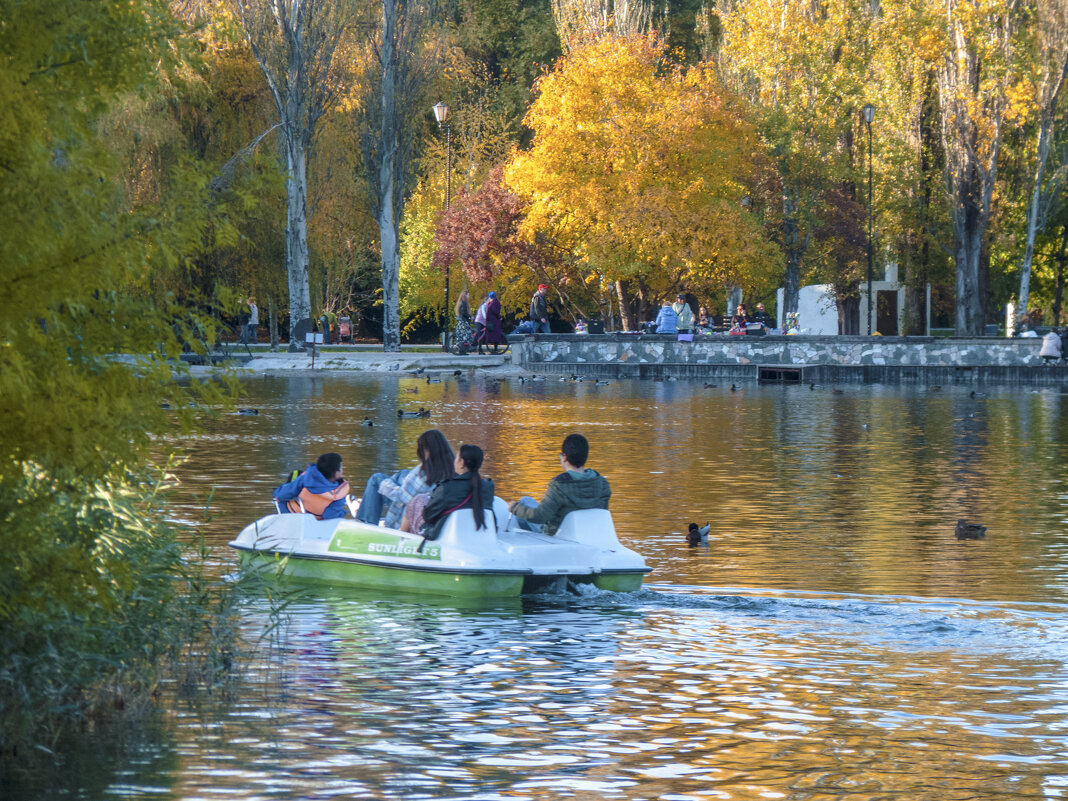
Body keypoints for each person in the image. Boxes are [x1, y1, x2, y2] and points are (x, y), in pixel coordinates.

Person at [507, 433, 611, 535]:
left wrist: (514, 507)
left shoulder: (559, 486)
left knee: (523, 502)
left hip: (558, 534)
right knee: (527, 500)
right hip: (589, 533)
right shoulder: (602, 483)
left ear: (565, 457)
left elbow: (540, 516)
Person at [354, 430, 455, 528]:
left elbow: (403, 497)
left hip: (407, 517)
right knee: (403, 473)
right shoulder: (451, 467)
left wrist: (385, 484)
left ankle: (366, 521)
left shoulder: (425, 471)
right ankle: (368, 502)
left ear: (426, 450)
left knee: (376, 479)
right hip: (426, 509)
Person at [420, 444, 496, 540]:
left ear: (462, 463)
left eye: (456, 458)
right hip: (480, 537)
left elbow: (428, 516)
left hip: (445, 537)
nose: (454, 461)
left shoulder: (446, 488)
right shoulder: (488, 486)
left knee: (417, 502)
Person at [273, 452, 350, 520]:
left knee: (295, 475)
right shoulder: (340, 492)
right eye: (341, 467)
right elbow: (330, 516)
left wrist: (277, 492)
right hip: (315, 521)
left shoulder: (306, 478)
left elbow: (282, 495)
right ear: (336, 474)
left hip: (290, 512)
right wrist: (343, 513)